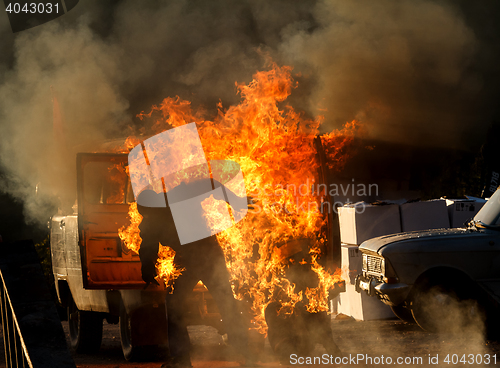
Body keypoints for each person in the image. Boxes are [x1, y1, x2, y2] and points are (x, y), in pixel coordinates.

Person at [136, 179, 252, 368]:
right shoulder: (150, 221)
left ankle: (245, 354)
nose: (147, 216)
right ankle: (181, 359)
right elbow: (147, 247)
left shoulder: (179, 195)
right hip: (186, 259)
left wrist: (236, 200)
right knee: (174, 305)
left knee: (226, 303)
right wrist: (147, 270)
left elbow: (210, 184)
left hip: (209, 255)